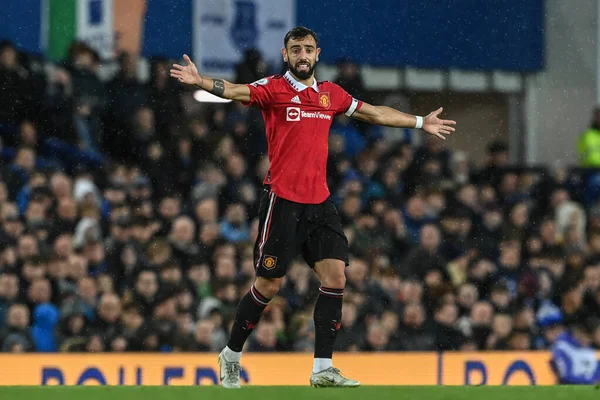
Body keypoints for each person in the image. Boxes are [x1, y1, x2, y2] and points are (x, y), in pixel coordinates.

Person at [170, 26, 456, 388]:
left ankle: (322, 368)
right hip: (282, 201)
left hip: (320, 202)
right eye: (295, 49)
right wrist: (201, 80)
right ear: (285, 54)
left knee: (336, 277)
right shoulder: (273, 88)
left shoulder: (330, 94)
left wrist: (419, 122)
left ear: (317, 54)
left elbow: (374, 114)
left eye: (308, 49)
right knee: (269, 285)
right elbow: (235, 90)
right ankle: (231, 354)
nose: (302, 55)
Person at [550, 319, 600, 385]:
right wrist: (591, 383)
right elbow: (565, 376)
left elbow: (596, 374)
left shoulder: (589, 349)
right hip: (569, 391)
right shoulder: (563, 347)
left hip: (588, 390)